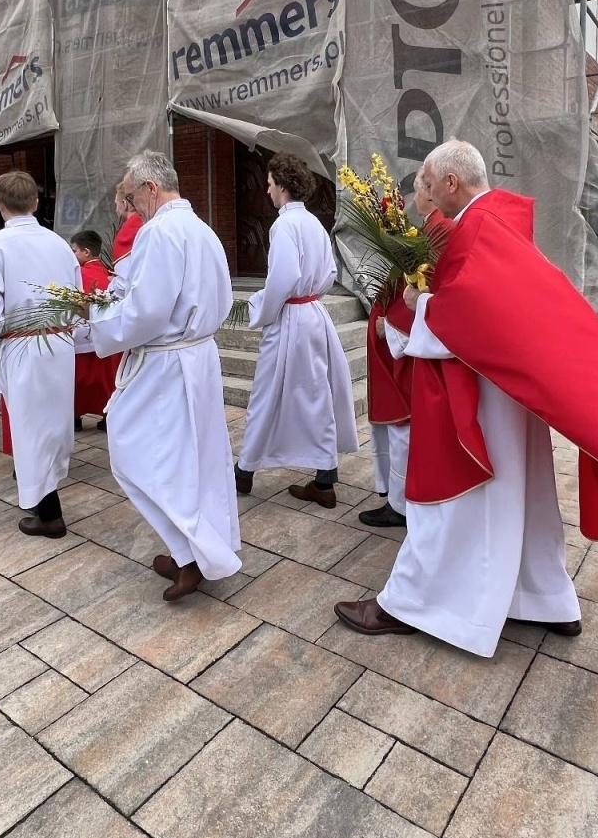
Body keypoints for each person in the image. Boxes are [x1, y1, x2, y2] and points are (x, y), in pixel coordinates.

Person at [334, 141, 598, 654]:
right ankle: (546, 598)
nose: (417, 188)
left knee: (455, 505)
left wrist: (419, 305)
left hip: (480, 395)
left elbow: (471, 317)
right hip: (504, 389)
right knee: (524, 499)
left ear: (450, 182)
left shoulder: (478, 228)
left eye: (426, 178)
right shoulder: (498, 218)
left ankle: (413, 604)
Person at [86, 151, 240, 600]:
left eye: (132, 197)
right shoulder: (203, 229)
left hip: (167, 361)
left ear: (152, 188)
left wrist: (96, 315)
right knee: (194, 458)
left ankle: (192, 553)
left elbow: (147, 311)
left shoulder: (160, 231)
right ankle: (192, 550)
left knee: (135, 453)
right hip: (197, 356)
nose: (131, 207)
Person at [232, 153, 359, 504]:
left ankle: (244, 472)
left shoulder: (284, 225)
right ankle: (324, 480)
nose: (268, 191)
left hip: (291, 319)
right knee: (317, 395)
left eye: (271, 184)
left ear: (283, 186)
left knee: (266, 395)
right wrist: (308, 296)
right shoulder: (315, 224)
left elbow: (284, 277)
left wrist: (263, 309)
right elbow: (331, 273)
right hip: (313, 316)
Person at [0, 171, 80, 535]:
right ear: (36, 202)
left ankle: (49, 514)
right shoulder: (60, 243)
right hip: (60, 342)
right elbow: (77, 296)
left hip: (22, 342)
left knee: (31, 428)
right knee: (54, 424)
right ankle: (47, 498)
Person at [356, 182, 445, 531]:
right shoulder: (426, 231)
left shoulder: (438, 233)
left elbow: (429, 290)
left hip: (409, 346)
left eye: (424, 186)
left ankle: (402, 505)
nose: (420, 192)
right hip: (403, 343)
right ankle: (398, 496)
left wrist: (391, 325)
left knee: (404, 425)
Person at [70, 230, 118, 432]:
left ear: (86, 252)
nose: (72, 255)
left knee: (78, 378)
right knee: (105, 378)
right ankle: (108, 415)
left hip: (81, 332)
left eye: (74, 251)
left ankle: (75, 417)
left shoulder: (79, 274)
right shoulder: (110, 273)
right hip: (102, 332)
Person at [110, 181, 142, 272]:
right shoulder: (151, 220)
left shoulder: (127, 233)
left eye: (117, 204)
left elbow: (124, 276)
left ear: (124, 204)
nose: (116, 210)